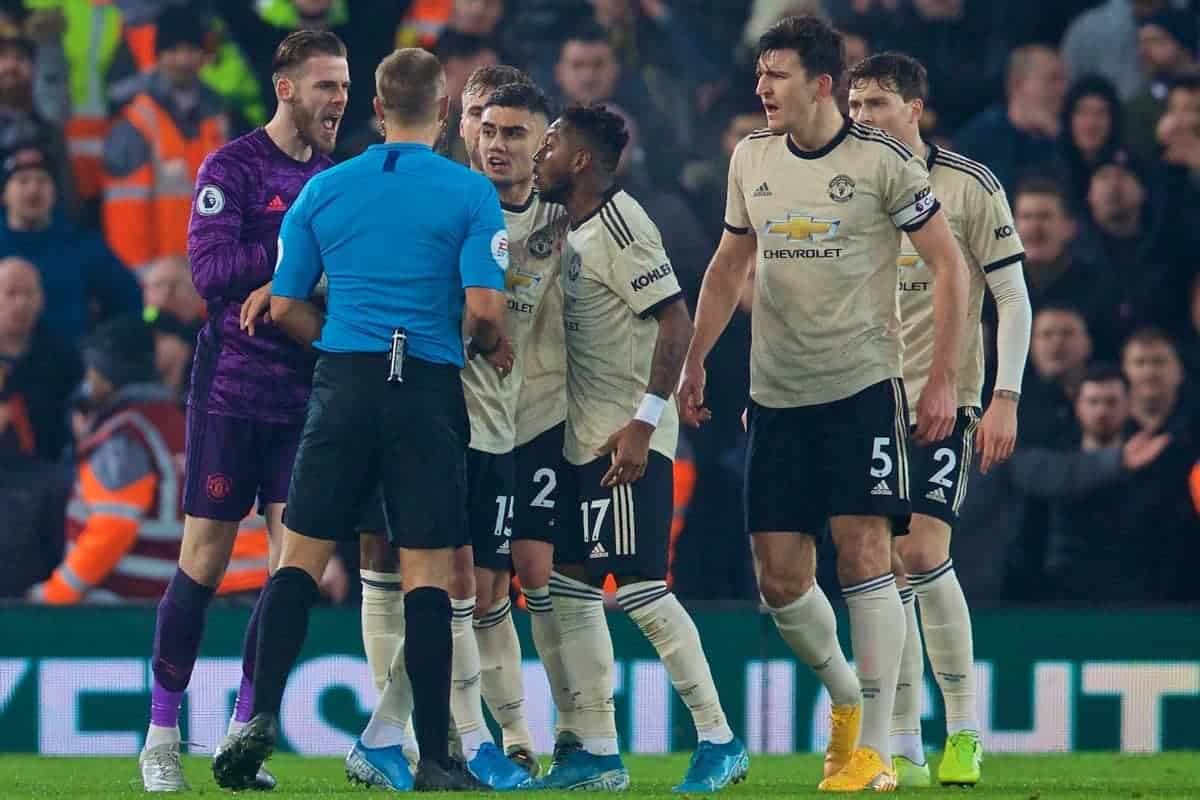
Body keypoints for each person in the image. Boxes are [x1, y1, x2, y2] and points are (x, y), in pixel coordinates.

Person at [677, 16, 970, 792]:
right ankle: (847, 698)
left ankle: (875, 747)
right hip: (777, 395)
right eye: (759, 74)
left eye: (775, 75)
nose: (761, 88)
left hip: (861, 389)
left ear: (820, 84)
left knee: (866, 554)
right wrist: (695, 361)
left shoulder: (882, 163)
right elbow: (729, 261)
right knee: (778, 579)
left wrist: (940, 378)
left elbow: (950, 268)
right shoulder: (752, 156)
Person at [213, 47, 515, 793]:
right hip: (423, 389)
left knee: (298, 563)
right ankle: (439, 760)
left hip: (343, 386)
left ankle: (255, 718)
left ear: (377, 111)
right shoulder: (470, 194)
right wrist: (484, 342)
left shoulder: (324, 191)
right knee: (428, 576)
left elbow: (283, 305)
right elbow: (483, 311)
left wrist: (343, 345)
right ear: (443, 114)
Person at [138, 30, 349, 794]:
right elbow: (209, 270)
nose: (339, 101)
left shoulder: (335, 176)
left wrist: (307, 274)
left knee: (292, 571)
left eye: (346, 87)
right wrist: (298, 254)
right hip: (231, 394)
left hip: (304, 399)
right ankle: (161, 737)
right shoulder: (231, 167)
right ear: (285, 87)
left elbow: (344, 272)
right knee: (204, 561)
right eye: (326, 86)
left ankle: (245, 736)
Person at [531, 103, 749, 793]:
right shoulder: (565, 227)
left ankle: (719, 738)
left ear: (583, 161)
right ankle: (596, 752)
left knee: (643, 589)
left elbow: (675, 322)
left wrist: (644, 421)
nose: (541, 152)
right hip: (577, 439)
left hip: (621, 440)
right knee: (569, 590)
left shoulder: (623, 225)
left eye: (552, 142)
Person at [347, 72, 551, 792]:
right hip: (415, 410)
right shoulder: (430, 196)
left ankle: (496, 737)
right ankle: (444, 741)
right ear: (456, 124)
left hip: (497, 426)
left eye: (511, 131)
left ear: (539, 140)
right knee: (417, 574)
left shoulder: (556, 225)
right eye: (482, 125)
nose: (494, 142)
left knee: (480, 590)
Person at [847, 52, 1033, 788]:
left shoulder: (969, 185)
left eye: (879, 104)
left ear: (914, 108)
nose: (863, 117)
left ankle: (963, 731)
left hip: (944, 399)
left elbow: (1011, 297)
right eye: (855, 104)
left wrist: (1006, 396)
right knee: (883, 568)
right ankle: (904, 744)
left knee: (922, 553)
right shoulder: (847, 186)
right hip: (861, 399)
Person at [26, 316, 191, 603]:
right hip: (171, 596)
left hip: (119, 599)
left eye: (91, 370)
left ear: (105, 374)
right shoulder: (178, 423)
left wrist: (54, 595)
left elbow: (112, 527)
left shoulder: (124, 437)